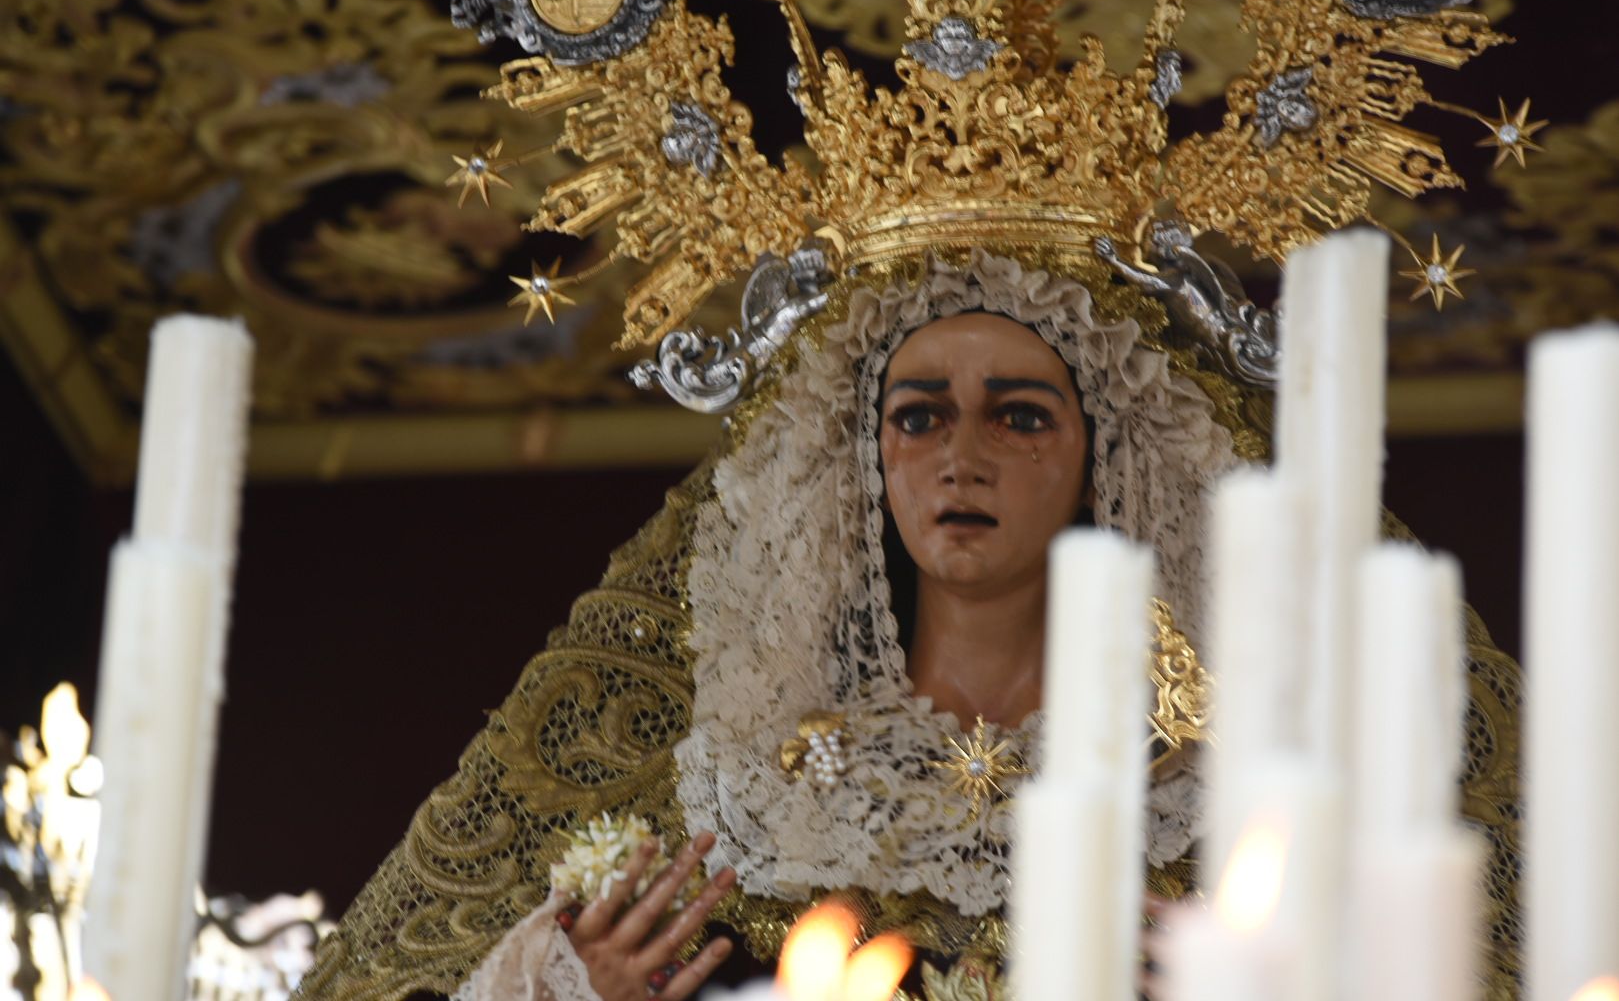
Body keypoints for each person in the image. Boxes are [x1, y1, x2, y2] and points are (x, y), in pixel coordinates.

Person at [304, 251, 1532, 1001]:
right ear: (865, 465)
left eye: (1021, 417)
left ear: (1107, 464)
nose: (963, 456)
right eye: (919, 415)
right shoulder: (738, 798)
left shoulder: (1232, 808)